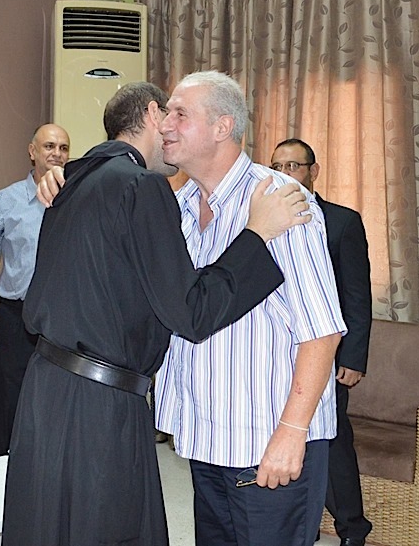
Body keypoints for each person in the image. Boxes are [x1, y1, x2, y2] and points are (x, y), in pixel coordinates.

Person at [2, 81, 311, 546]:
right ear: (152, 114)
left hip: (45, 389)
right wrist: (257, 234)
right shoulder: (141, 186)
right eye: (171, 115)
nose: (171, 130)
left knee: (50, 525)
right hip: (97, 404)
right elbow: (191, 313)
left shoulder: (72, 181)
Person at [156, 71, 346, 546]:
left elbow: (321, 330)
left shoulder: (280, 200)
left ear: (223, 126)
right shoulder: (180, 206)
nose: (165, 124)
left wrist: (292, 432)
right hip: (206, 441)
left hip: (266, 444)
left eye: (180, 114)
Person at [270, 138, 373, 546]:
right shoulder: (263, 218)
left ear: (314, 171)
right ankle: (303, 521)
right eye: (277, 166)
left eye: (293, 166)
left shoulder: (342, 222)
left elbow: (357, 295)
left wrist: (354, 355)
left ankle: (353, 528)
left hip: (326, 353)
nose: (284, 174)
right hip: (276, 352)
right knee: (283, 438)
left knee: (331, 441)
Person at [0, 123, 70, 456]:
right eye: (49, 146)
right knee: (10, 407)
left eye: (64, 148)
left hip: (61, 322)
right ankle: (3, 477)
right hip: (16, 320)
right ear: (32, 151)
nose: (57, 154)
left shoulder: (77, 200)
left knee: (58, 406)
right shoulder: (7, 201)